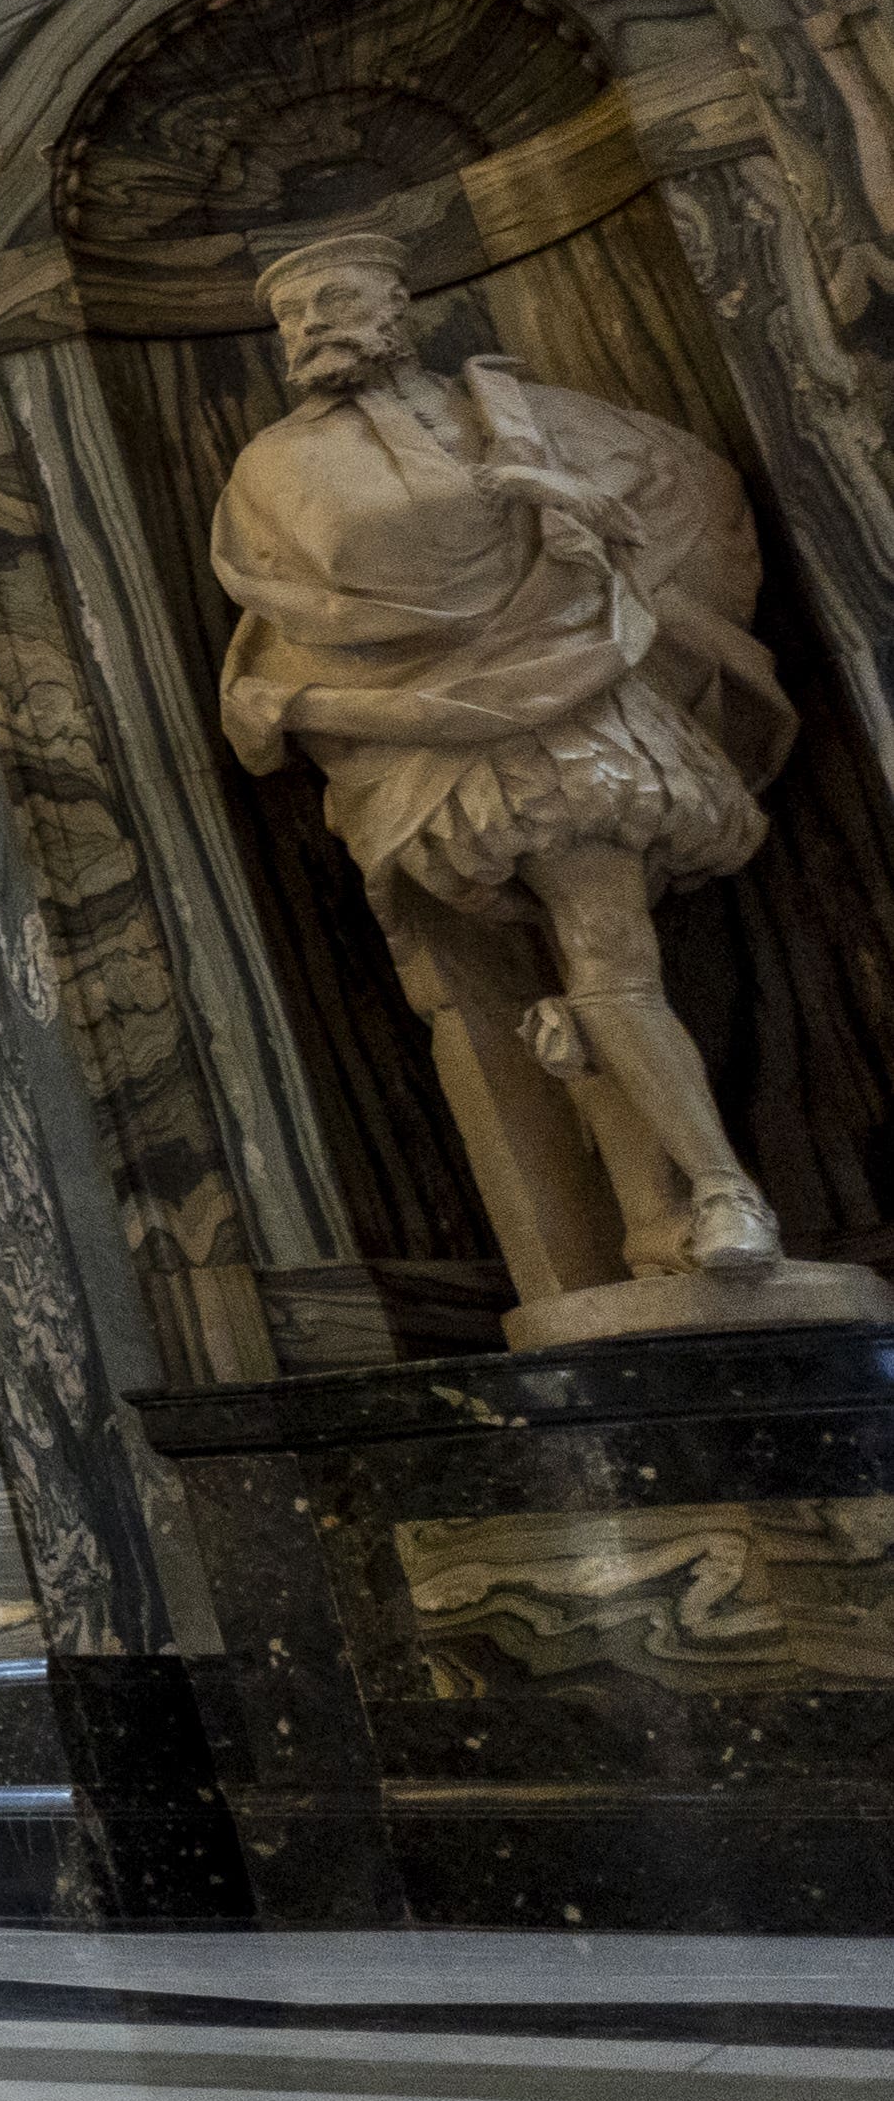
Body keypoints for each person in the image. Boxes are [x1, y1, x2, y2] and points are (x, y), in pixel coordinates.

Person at [213, 228, 810, 1316]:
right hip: (427, 741)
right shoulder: (275, 467)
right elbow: (320, 590)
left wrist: (588, 532)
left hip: (578, 700)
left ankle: (711, 1203)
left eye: (333, 298)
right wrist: (505, 510)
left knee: (602, 949)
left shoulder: (527, 409)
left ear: (400, 305)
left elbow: (681, 492)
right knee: (581, 965)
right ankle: (674, 1213)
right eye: (290, 317)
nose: (310, 328)